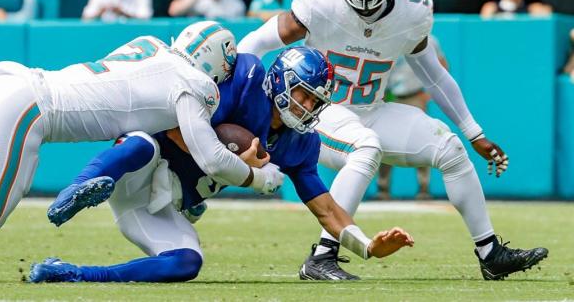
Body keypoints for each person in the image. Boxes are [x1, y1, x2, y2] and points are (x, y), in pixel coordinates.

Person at [237, 0, 548, 281]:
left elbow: (434, 75)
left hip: (371, 109)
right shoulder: (318, 2)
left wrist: (472, 131)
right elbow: (254, 44)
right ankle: (322, 256)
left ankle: (490, 253)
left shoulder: (411, 11)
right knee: (365, 147)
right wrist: (243, 101)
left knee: (449, 148)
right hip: (320, 115)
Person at [28, 45, 415, 283]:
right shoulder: (244, 84)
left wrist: (367, 246)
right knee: (143, 145)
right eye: (305, 96)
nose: (309, 108)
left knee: (186, 263)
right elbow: (180, 130)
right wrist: (234, 164)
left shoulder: (299, 144)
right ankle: (80, 186)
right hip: (144, 163)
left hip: (163, 201)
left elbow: (328, 210)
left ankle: (74, 273)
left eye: (316, 102)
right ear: (281, 82)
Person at [0, 21, 290, 252]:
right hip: (29, 108)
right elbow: (211, 157)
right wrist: (259, 178)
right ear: (218, 63)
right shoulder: (195, 85)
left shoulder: (148, 43)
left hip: (7, 80)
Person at [377, 35, 448, 200]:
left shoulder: (428, 40)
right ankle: (383, 188)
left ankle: (424, 188)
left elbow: (442, 65)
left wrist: (430, 91)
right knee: (384, 140)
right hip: (389, 94)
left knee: (422, 139)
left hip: (415, 94)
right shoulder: (389, 36)